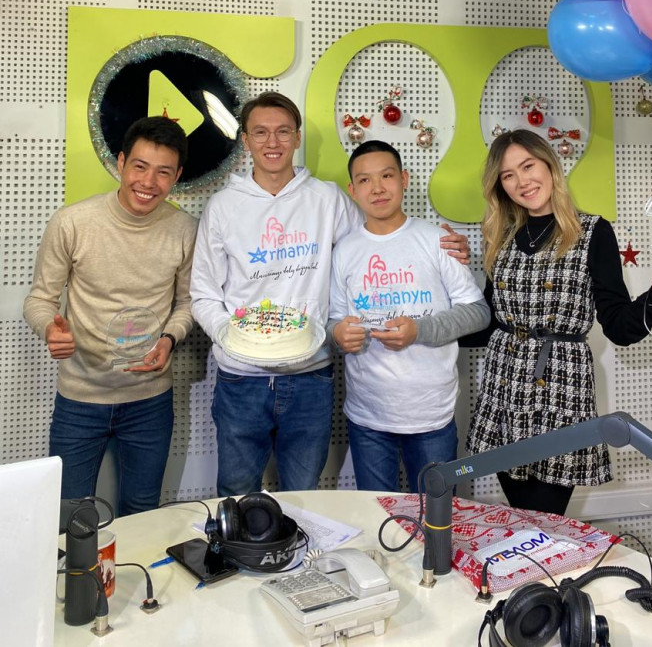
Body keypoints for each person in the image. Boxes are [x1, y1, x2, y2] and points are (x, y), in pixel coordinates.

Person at [190, 91, 469, 497]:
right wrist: (234, 340)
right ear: (245, 140)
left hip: (311, 376)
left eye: (283, 131)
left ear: (297, 137)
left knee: (305, 493)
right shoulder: (222, 207)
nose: (272, 142)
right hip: (241, 379)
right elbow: (203, 293)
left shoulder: (328, 199)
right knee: (236, 491)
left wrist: (442, 244)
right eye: (261, 133)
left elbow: (377, 239)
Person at [465, 129, 652, 517]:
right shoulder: (499, 235)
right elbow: (487, 323)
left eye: (528, 166)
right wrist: (425, 326)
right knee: (524, 517)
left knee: (546, 518)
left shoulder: (592, 232)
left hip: (561, 388)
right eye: (508, 175)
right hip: (504, 388)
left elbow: (619, 326)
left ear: (549, 165)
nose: (522, 182)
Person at [23, 116, 197, 515]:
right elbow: (39, 299)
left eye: (163, 172)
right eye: (139, 166)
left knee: (143, 511)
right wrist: (50, 328)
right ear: (120, 162)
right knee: (69, 515)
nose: (148, 182)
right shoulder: (72, 222)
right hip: (80, 397)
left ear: (177, 177)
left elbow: (188, 303)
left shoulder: (185, 230)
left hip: (150, 400)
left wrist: (169, 338)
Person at [329, 141, 488, 492]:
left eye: (386, 176)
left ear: (404, 179)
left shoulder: (437, 241)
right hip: (367, 415)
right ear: (352, 190)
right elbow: (334, 323)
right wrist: (338, 334)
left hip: (432, 413)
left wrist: (420, 330)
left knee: (437, 515)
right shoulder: (345, 251)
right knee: (377, 513)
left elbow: (478, 312)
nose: (377, 188)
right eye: (365, 180)